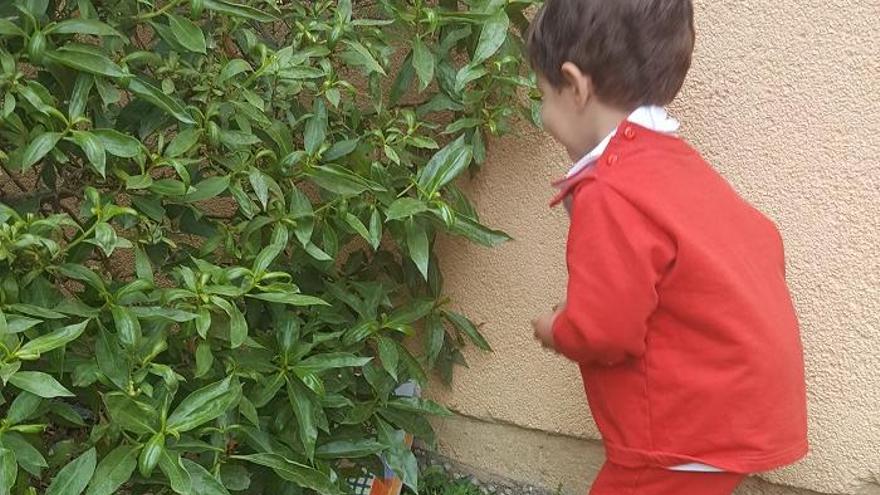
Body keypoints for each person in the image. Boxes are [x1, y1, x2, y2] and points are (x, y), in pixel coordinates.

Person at [526, 1, 809, 493]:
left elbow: (605, 333)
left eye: (543, 94)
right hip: (730, 411)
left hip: (682, 431)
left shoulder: (611, 189)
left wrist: (559, 328)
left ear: (574, 85)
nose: (543, 114)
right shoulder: (670, 165)